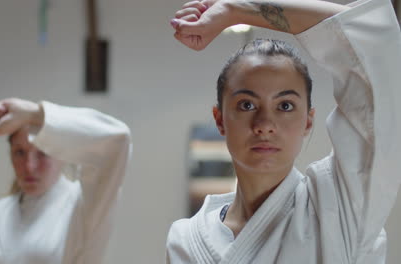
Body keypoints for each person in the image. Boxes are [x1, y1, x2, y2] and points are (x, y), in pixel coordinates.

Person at [167, 0, 401, 263]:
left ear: (308, 121)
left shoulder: (338, 206)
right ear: (220, 119)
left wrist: (235, 9)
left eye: (285, 105)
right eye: (246, 104)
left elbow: (372, 44)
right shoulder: (185, 239)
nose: (265, 123)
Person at [0, 98, 131, 264]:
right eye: (20, 152)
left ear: (64, 154)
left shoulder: (82, 205)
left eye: (42, 153)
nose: (29, 166)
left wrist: (35, 113)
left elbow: (117, 139)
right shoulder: (1, 211)